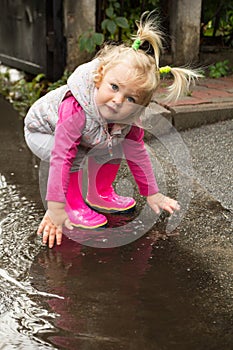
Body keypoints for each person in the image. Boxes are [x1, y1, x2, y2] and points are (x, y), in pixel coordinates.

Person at [24, 12, 201, 248]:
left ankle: (100, 193)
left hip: (87, 134)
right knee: (75, 154)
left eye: (130, 97)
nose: (118, 100)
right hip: (42, 132)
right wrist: (55, 208)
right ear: (99, 78)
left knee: (115, 142)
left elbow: (137, 152)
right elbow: (61, 157)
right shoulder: (75, 108)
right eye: (114, 87)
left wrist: (152, 193)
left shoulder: (128, 118)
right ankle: (72, 205)